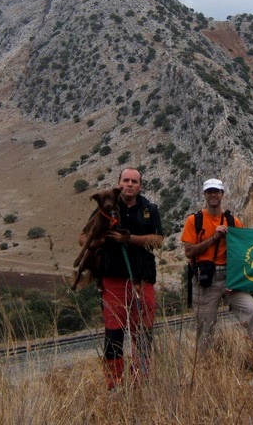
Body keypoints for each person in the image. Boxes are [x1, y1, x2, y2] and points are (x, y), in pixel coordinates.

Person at [78, 167, 163, 389]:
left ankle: (141, 378)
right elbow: (83, 236)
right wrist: (100, 242)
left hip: (142, 279)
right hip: (113, 278)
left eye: (134, 181)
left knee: (143, 332)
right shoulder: (105, 208)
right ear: (119, 184)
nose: (130, 184)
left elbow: (158, 240)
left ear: (140, 186)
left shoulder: (149, 209)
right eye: (126, 180)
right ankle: (114, 381)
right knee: (114, 331)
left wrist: (130, 239)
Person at [180, 178, 253, 358]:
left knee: (252, 311)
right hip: (205, 280)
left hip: (231, 278)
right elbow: (189, 252)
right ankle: (205, 367)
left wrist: (238, 278)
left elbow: (243, 252)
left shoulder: (234, 221)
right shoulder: (194, 220)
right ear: (205, 195)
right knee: (205, 326)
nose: (213, 195)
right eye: (209, 192)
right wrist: (214, 237)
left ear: (222, 194)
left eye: (217, 191)